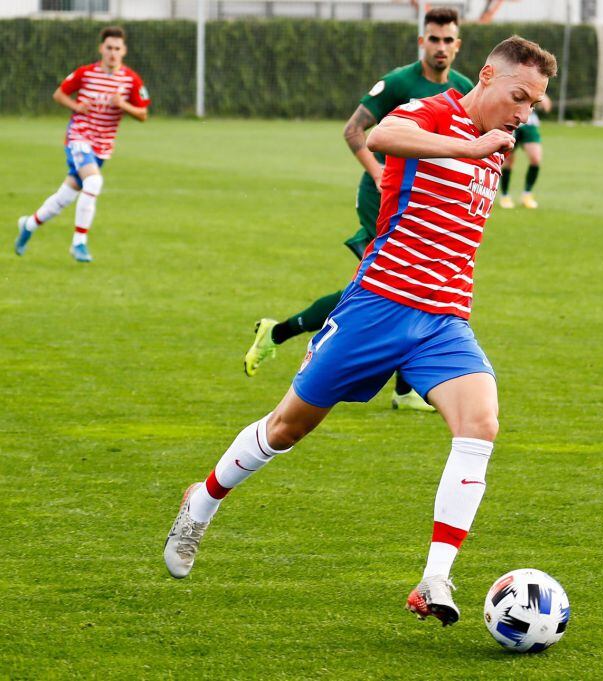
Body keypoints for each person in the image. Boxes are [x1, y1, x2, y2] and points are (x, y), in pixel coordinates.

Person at [164, 36, 557, 628]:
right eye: (518, 96)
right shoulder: (436, 113)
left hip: (444, 318)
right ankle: (203, 500)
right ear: (486, 76)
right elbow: (380, 138)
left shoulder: (497, 146)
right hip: (377, 306)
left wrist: (484, 148)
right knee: (286, 428)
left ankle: (435, 577)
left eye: (534, 104)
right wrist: (471, 145)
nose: (523, 113)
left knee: (481, 424)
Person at [242, 7, 473, 413]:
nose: (440, 47)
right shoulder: (401, 82)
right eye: (433, 39)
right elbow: (354, 129)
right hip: (384, 199)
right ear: (422, 41)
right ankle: (281, 335)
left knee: (411, 287)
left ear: (458, 44)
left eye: (447, 40)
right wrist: (381, 173)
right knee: (389, 288)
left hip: (428, 203)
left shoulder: (462, 87)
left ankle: (400, 388)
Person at [15, 26, 150, 263]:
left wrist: (123, 105)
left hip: (102, 146)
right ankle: (79, 242)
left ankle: (28, 224)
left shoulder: (130, 80)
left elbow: (143, 114)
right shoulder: (86, 73)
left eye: (117, 49)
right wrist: (76, 107)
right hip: (79, 137)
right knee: (94, 181)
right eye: (109, 48)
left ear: (124, 51)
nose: (112, 53)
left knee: (65, 197)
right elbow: (59, 94)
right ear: (101, 48)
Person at [498, 94, 551, 209]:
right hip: (512, 121)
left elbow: (547, 106)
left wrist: (542, 99)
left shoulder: (536, 84)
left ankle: (527, 194)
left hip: (530, 125)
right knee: (508, 162)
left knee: (535, 159)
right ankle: (505, 195)